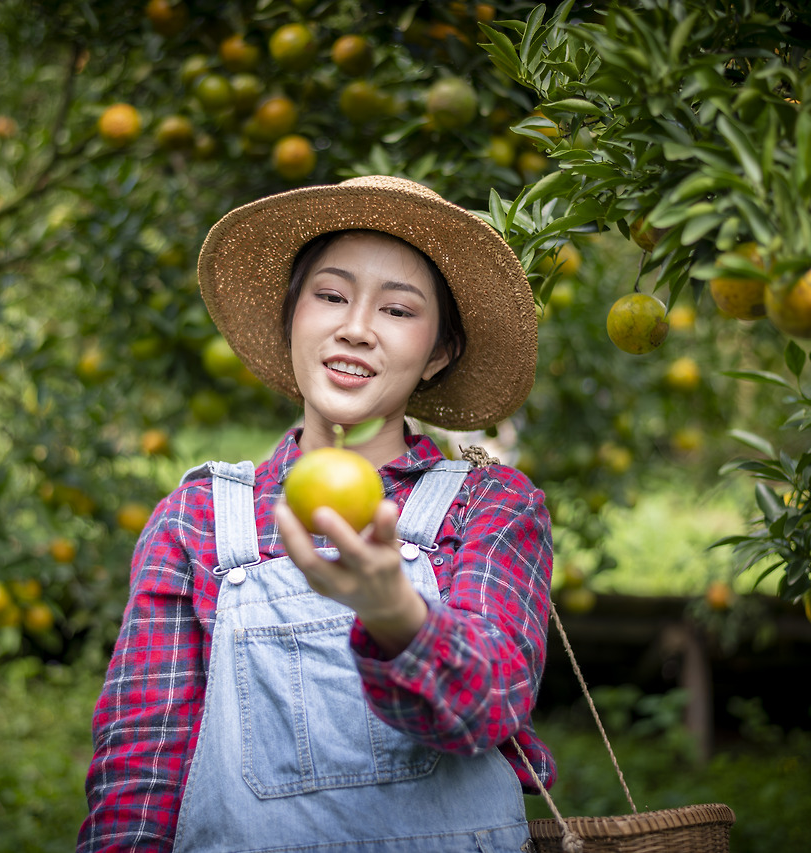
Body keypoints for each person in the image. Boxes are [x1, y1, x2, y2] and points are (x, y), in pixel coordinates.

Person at [78, 175, 555, 852]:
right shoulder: (197, 521)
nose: (355, 328)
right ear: (292, 315)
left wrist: (398, 614)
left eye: (397, 310)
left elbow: (488, 707)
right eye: (330, 296)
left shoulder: (491, 506)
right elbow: (142, 768)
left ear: (439, 352)